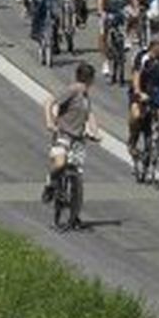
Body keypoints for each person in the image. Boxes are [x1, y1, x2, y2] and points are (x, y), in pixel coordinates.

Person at [41, 62, 98, 211]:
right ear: (91, 79)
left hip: (78, 139)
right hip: (64, 134)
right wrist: (49, 122)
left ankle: (75, 214)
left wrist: (94, 132)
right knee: (60, 163)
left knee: (77, 176)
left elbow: (90, 114)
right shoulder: (73, 90)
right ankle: (50, 183)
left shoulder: (86, 96)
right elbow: (49, 102)